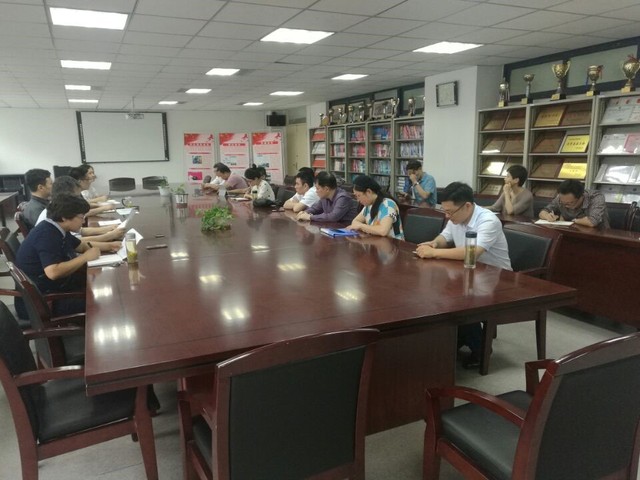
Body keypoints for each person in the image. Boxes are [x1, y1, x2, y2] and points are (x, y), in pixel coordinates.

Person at [415, 182, 511, 369]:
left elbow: (472, 252)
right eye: (445, 211)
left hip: (497, 279)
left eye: (450, 212)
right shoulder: (456, 218)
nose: (447, 216)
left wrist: (434, 253)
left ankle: (480, 350)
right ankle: (453, 341)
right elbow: (445, 237)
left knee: (458, 302)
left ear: (467, 206)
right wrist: (434, 244)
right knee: (438, 296)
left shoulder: (488, 220)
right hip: (468, 273)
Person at [15, 194, 101, 317]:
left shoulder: (57, 228)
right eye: (81, 217)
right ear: (64, 217)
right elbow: (53, 272)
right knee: (100, 302)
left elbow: (80, 246)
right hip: (41, 303)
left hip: (51, 289)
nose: (83, 221)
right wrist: (85, 257)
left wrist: (113, 245)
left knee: (96, 285)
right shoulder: (47, 235)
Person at [35, 176, 124, 251]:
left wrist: (106, 229)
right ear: (66, 196)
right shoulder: (54, 215)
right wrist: (109, 236)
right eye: (77, 196)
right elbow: (77, 241)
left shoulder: (57, 208)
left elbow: (78, 234)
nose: (79, 199)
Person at [347, 175, 404, 239]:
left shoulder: (388, 204)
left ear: (368, 192)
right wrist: (361, 226)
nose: (358, 200)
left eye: (359, 196)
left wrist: (361, 226)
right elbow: (355, 222)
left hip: (394, 243)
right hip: (376, 241)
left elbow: (383, 231)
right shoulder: (368, 205)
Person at [539, 179, 609, 228]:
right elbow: (542, 212)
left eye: (569, 203)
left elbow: (592, 222)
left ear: (581, 197)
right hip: (571, 232)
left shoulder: (596, 197)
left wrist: (574, 220)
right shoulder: (561, 197)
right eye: (563, 203)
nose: (565, 206)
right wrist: (547, 216)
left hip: (597, 235)